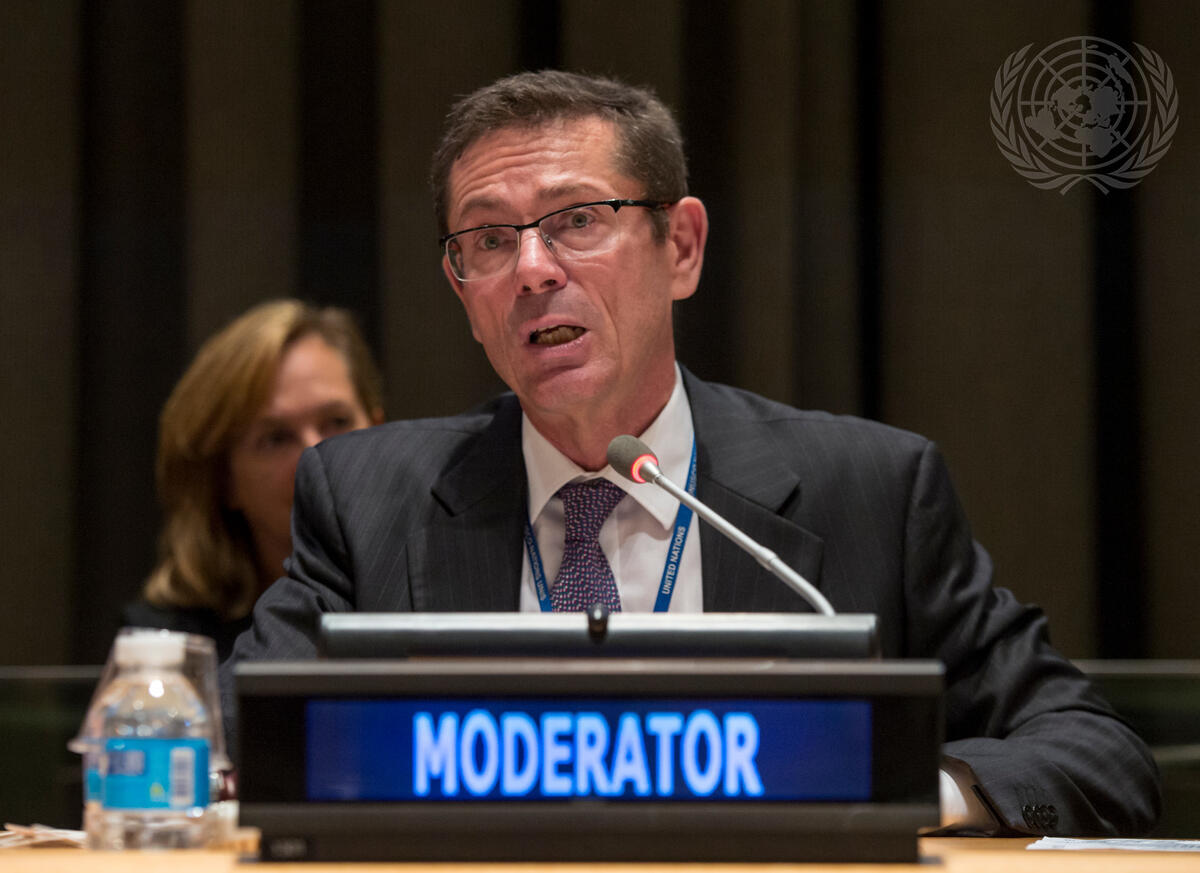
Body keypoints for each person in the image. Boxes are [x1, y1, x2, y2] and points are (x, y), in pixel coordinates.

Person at [225, 71, 1159, 835]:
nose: (533, 268)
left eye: (577, 219)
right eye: (491, 239)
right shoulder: (369, 496)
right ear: (462, 288)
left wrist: (904, 789)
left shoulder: (870, 489)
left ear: (681, 246)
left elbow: (1095, 754)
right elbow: (227, 741)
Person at [123, 299, 384, 660]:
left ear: (381, 432)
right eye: (276, 438)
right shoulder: (166, 651)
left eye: (337, 422)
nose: (316, 459)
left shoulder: (440, 595)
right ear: (224, 480)